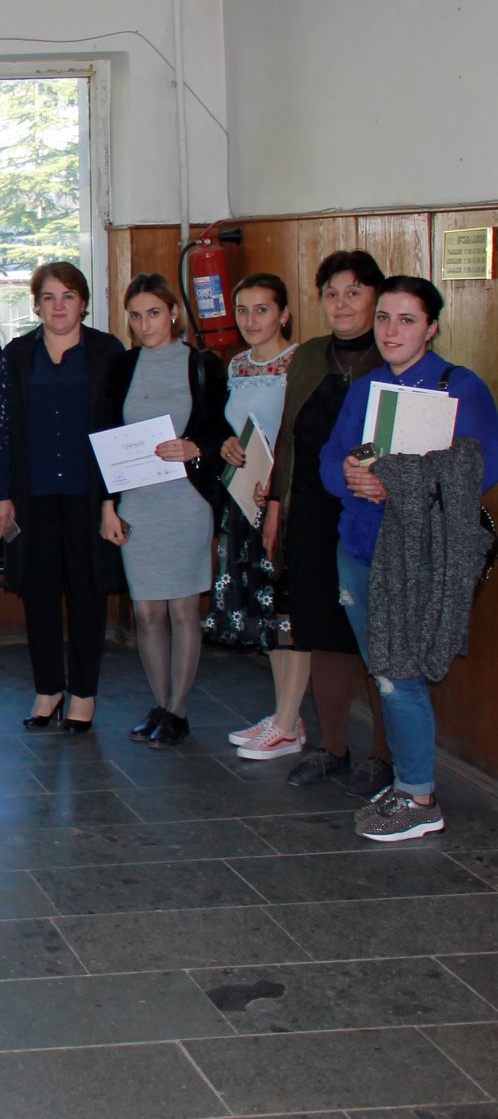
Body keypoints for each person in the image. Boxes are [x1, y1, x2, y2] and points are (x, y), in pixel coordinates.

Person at [321, 276, 498, 841]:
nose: (392, 331)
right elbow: (333, 459)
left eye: (407, 320)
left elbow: (479, 470)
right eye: (384, 318)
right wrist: (350, 477)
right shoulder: (366, 386)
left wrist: (395, 484)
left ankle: (419, 795)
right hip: (359, 547)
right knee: (384, 669)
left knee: (400, 675)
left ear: (432, 328)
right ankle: (407, 782)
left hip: (417, 556)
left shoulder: (459, 387)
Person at [266, 251, 393, 794]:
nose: (341, 304)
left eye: (354, 292)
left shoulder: (392, 357)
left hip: (374, 517)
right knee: (322, 632)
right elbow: (288, 438)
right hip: (312, 515)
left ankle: (383, 756)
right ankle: (333, 747)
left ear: (375, 298)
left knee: (380, 638)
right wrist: (276, 506)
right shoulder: (309, 356)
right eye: (331, 293)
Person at [0, 262, 126, 733]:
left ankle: (83, 694)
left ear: (83, 303)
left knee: (87, 594)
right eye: (48, 297)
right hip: (33, 495)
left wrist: (113, 498)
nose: (58, 306)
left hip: (91, 494)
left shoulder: (108, 351)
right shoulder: (17, 354)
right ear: (36, 305)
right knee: (39, 594)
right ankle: (48, 689)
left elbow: (119, 423)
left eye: (68, 296)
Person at [105, 274, 231, 749]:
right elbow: (105, 434)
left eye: (154, 313)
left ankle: (178, 710)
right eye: (136, 316)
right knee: (145, 612)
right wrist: (107, 504)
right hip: (138, 501)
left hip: (185, 500)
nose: (144, 325)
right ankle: (160, 705)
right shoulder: (122, 367)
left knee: (182, 608)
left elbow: (222, 431)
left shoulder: (201, 365)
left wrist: (195, 446)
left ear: (174, 314)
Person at [206, 275, 308, 759]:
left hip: (283, 498)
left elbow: (299, 434)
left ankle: (288, 722)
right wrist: (226, 445)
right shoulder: (237, 364)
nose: (251, 320)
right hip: (244, 498)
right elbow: (235, 428)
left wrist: (279, 487)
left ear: (283, 314)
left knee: (289, 609)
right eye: (242, 310)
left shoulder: (300, 362)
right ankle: (284, 714)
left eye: (262, 309)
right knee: (265, 609)